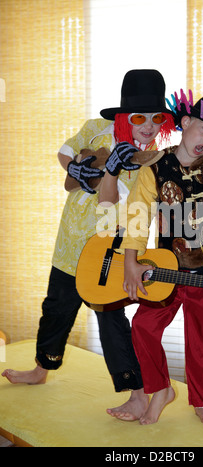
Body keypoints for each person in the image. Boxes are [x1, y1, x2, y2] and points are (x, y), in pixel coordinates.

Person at [2, 69, 176, 420]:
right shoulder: (95, 129)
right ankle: (42, 368)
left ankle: (138, 393)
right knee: (56, 309)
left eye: (157, 118)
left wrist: (109, 172)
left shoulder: (150, 163)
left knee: (110, 320)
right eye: (140, 117)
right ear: (124, 116)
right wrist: (78, 168)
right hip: (69, 244)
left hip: (107, 251)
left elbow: (109, 205)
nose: (149, 126)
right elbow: (65, 155)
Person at [121, 91, 203, 424]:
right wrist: (130, 264)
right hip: (165, 272)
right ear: (186, 122)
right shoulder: (154, 168)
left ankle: (202, 400)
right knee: (142, 326)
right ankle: (160, 388)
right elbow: (137, 217)